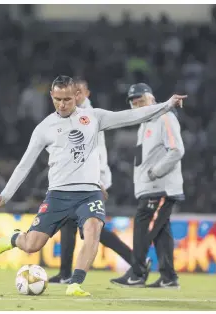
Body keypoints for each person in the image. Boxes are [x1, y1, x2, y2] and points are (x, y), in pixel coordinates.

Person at [0, 76, 187, 297]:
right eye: (58, 99)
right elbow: (25, 165)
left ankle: (75, 283)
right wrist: (4, 196)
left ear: (76, 96)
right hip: (58, 195)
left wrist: (166, 105)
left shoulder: (93, 117)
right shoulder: (44, 128)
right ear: (52, 96)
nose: (62, 104)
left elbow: (131, 116)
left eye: (68, 99)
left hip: (89, 193)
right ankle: (15, 238)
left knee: (93, 230)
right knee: (32, 245)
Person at [48, 77, 146, 284]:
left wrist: (97, 181)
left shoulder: (89, 116)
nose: (77, 95)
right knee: (69, 224)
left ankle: (137, 262)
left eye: (80, 91)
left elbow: (98, 152)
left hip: (93, 180)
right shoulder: (72, 116)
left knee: (92, 230)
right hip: (78, 179)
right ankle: (65, 272)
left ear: (86, 94)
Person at [110, 83, 185, 289]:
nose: (137, 104)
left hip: (160, 187)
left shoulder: (164, 117)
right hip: (150, 187)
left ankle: (137, 273)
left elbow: (176, 150)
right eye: (133, 102)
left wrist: (155, 172)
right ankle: (169, 277)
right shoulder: (145, 123)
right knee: (161, 231)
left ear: (151, 98)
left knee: (143, 227)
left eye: (140, 99)